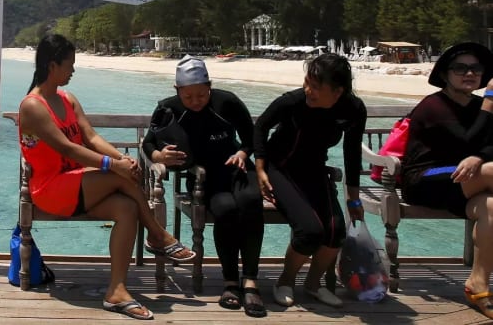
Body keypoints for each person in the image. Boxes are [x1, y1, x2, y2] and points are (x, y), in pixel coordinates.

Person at [18, 34, 195, 321]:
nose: (73, 70)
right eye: (69, 64)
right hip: (51, 189)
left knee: (127, 208)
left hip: (78, 183)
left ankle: (117, 291)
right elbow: (67, 148)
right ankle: (158, 235)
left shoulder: (67, 99)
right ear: (53, 66)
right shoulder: (33, 106)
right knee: (121, 178)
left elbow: (90, 137)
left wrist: (120, 159)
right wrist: (114, 165)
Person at [142, 55, 267, 318]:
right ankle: (230, 282)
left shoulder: (227, 102)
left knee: (251, 203)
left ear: (210, 86)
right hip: (203, 177)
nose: (196, 101)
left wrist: (243, 153)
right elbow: (148, 144)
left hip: (237, 169)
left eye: (202, 95)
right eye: (188, 96)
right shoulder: (167, 109)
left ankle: (250, 280)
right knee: (226, 209)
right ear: (177, 90)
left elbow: (252, 137)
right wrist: (159, 156)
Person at [253, 53, 366, 309]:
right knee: (310, 231)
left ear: (337, 91)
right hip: (280, 169)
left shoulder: (353, 110)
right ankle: (285, 281)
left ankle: (313, 284)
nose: (308, 90)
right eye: (306, 82)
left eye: (315, 87)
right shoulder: (292, 102)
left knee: (336, 232)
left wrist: (353, 199)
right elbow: (260, 127)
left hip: (314, 171)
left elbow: (352, 153)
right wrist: (260, 169)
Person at [400, 42, 493, 319]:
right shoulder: (433, 106)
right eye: (460, 68)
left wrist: (478, 156)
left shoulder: (478, 106)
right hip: (425, 180)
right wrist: (489, 103)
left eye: (476, 68)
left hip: (463, 183)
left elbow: (488, 144)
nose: (469, 73)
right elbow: (466, 140)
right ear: (445, 75)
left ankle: (477, 283)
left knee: (491, 207)